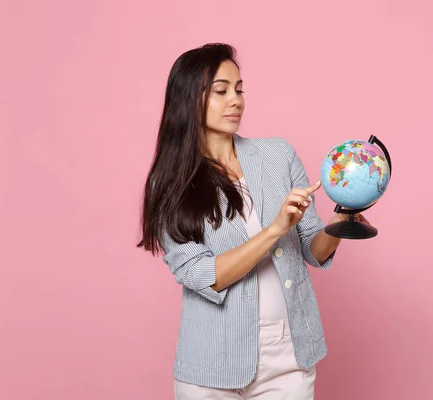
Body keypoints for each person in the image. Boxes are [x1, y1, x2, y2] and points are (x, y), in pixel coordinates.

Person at [137, 43, 371, 399]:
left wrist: (343, 216)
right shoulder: (169, 182)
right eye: (221, 90)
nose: (236, 100)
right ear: (188, 99)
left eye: (239, 89)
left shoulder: (277, 155)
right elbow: (204, 275)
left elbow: (312, 248)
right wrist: (276, 228)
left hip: (288, 353)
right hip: (211, 363)